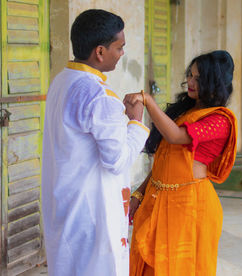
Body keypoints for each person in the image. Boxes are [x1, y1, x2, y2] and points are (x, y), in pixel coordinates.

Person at [41, 9, 149, 276]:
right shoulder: (100, 98)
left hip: (65, 206)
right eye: (119, 47)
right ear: (100, 52)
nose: (122, 53)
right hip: (93, 214)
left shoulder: (62, 80)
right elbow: (117, 160)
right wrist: (135, 122)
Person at [125, 50, 237, 276]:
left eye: (198, 78)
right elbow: (164, 160)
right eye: (190, 75)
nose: (191, 82)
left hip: (191, 208)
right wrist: (139, 193)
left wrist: (148, 101)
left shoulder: (220, 120)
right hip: (158, 199)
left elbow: (175, 136)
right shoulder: (185, 110)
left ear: (214, 82)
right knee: (148, 265)